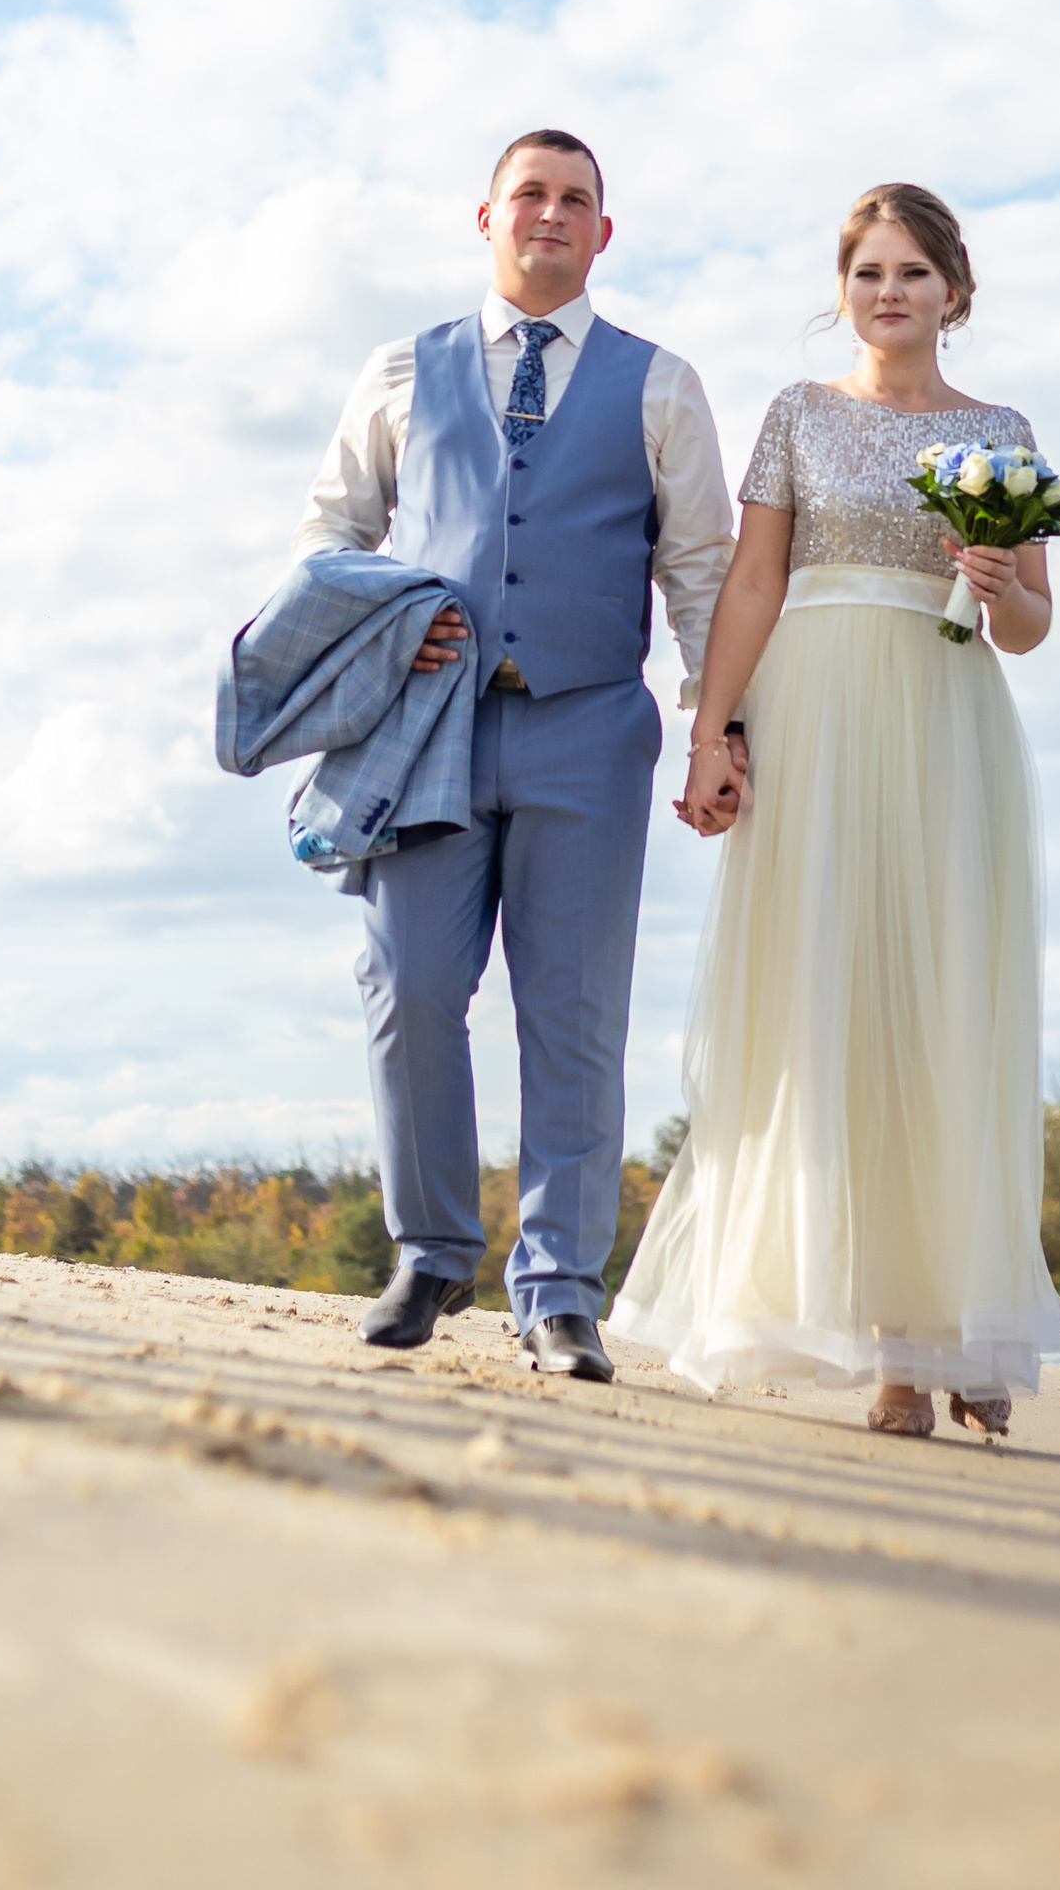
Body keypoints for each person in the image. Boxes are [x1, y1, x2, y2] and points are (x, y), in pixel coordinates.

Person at [612, 183, 1060, 1436]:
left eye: (912, 273)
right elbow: (753, 579)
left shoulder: (1004, 430)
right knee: (829, 1009)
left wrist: (993, 581)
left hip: (944, 721)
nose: (888, 293)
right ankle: (881, 1345)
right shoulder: (799, 417)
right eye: (868, 272)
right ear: (842, 291)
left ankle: (942, 1332)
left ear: (953, 295)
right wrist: (713, 730)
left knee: (938, 1005)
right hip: (813, 714)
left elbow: (1030, 627)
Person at [295, 131, 735, 1378]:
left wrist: (715, 727)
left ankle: (557, 1290)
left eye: (575, 200)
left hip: (590, 724)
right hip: (424, 731)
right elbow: (329, 531)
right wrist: (389, 622)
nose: (550, 213)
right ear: (483, 220)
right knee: (409, 990)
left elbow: (698, 567)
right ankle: (431, 1252)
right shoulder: (398, 369)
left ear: (604, 234)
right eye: (528, 195)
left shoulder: (660, 385)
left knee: (575, 1012)